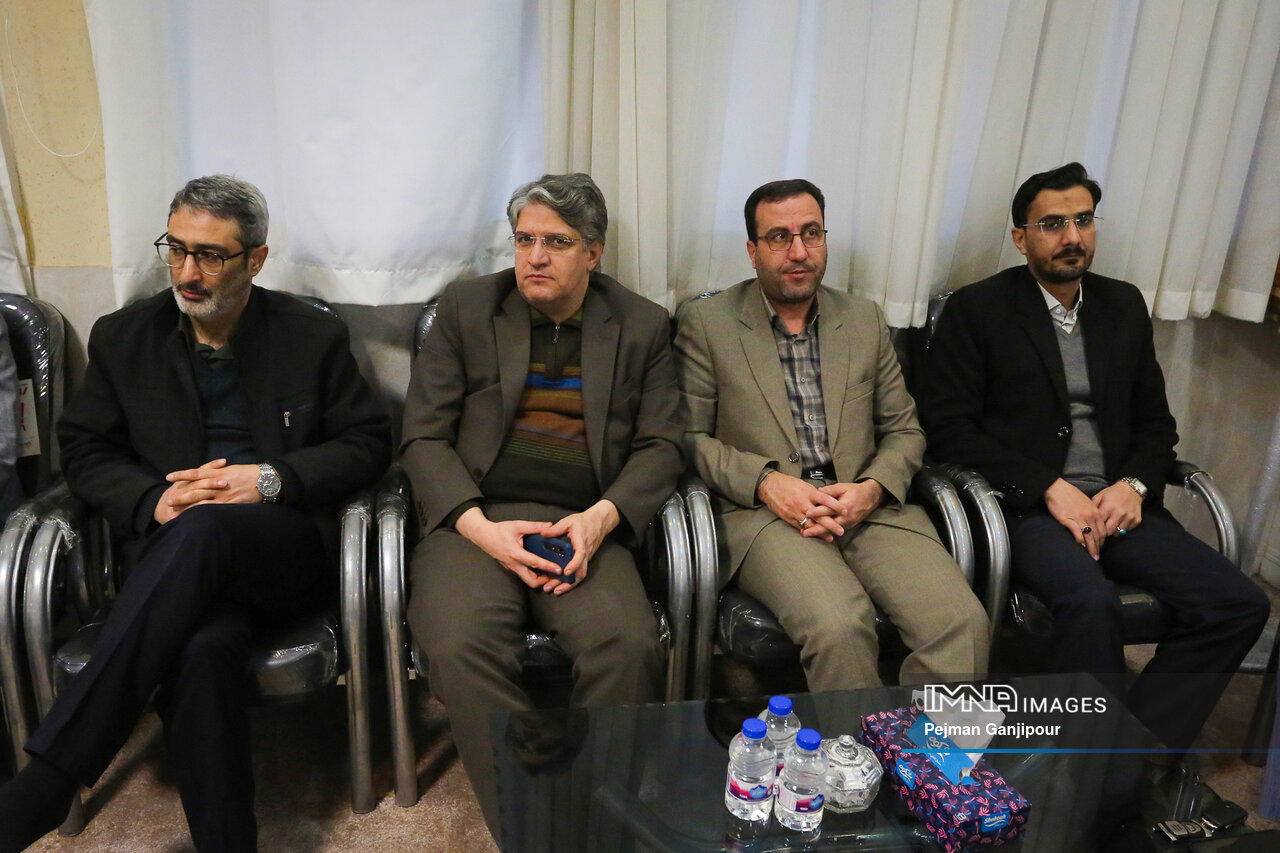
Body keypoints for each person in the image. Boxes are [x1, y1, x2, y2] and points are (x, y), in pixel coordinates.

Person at [0, 175, 390, 852]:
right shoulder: (124, 336)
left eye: (209, 255)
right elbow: (86, 449)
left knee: (206, 528)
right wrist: (154, 499)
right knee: (202, 646)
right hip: (170, 560)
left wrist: (269, 479)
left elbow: (367, 443)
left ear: (255, 259)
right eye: (176, 249)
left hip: (279, 556)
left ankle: (50, 779)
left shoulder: (310, 335)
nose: (186, 272)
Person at [918, 161, 1269, 749]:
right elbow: (948, 430)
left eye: (1083, 220)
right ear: (1021, 238)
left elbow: (1156, 424)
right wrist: (1047, 487)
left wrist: (1134, 485)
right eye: (1053, 224)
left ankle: (1135, 748)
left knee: (1239, 603)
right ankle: (1079, 765)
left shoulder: (1121, 305)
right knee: (1090, 602)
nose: (1072, 236)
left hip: (1117, 504)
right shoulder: (979, 310)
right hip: (1027, 510)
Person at [400, 172, 683, 837]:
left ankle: (596, 816)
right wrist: (480, 528)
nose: (534, 256)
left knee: (627, 645)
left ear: (594, 252)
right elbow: (422, 437)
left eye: (556, 242)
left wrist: (600, 520)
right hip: (476, 519)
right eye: (524, 239)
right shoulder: (468, 308)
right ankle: (532, 822)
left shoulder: (641, 324)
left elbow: (663, 445)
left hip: (580, 523)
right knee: (459, 645)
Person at [673, 178, 988, 692]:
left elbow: (904, 429)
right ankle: (854, 747)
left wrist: (872, 489)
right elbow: (688, 437)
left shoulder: (863, 319)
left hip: (868, 509)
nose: (799, 252)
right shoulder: (708, 324)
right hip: (768, 517)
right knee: (840, 626)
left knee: (962, 624)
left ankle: (929, 746)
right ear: (752, 251)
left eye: (811, 233)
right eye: (779, 237)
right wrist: (767, 483)